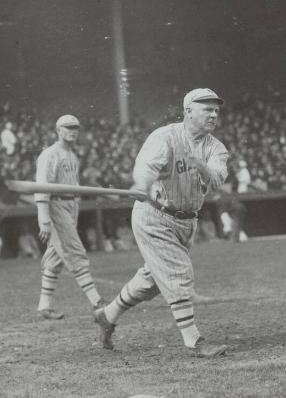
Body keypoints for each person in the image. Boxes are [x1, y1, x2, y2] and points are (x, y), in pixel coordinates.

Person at [94, 88, 229, 358]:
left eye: (216, 109)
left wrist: (200, 166)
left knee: (151, 281)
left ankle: (107, 315)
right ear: (189, 110)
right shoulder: (165, 136)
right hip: (154, 215)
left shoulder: (216, 147)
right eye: (207, 108)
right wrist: (142, 184)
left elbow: (217, 178)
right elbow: (146, 168)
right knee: (178, 272)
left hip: (186, 222)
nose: (214, 114)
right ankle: (194, 341)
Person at [35, 114, 105, 319]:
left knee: (56, 257)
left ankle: (44, 306)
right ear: (58, 130)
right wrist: (44, 218)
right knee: (74, 250)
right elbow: (41, 187)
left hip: (71, 204)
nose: (73, 130)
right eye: (68, 127)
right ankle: (96, 301)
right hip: (55, 204)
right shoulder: (50, 154)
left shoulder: (73, 156)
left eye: (75, 127)